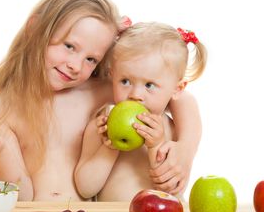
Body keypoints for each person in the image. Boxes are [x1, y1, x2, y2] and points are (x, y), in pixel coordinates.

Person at [0, 0, 202, 201]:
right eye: (70, 46)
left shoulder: (98, 91)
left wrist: (185, 149)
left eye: (92, 59)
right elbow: (23, 196)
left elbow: (180, 98)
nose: (75, 65)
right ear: (35, 29)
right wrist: (0, 150)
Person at [74, 22, 207, 201]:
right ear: (112, 75)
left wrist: (155, 147)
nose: (135, 95)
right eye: (125, 81)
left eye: (149, 85)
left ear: (177, 88)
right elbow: (85, 189)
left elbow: (171, 191)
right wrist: (109, 148)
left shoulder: (173, 132)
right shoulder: (100, 128)